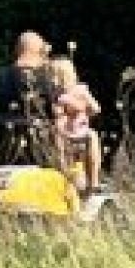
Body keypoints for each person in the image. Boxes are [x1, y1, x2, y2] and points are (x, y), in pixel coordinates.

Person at [0, 31, 54, 164]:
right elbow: (53, 109)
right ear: (40, 50)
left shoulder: (0, 75)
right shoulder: (47, 76)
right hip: (38, 136)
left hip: (4, 133)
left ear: (17, 49)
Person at [47, 63, 104, 196]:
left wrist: (84, 107)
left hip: (80, 130)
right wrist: (65, 105)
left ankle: (93, 182)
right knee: (57, 135)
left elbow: (96, 109)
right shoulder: (56, 94)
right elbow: (57, 113)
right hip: (64, 130)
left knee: (92, 136)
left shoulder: (81, 90)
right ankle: (64, 175)